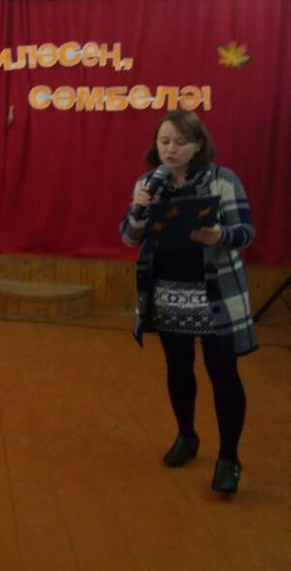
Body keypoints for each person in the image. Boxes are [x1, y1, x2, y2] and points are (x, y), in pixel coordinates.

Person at [120, 110, 255, 495]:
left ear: (198, 145)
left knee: (223, 372)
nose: (171, 149)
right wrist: (138, 208)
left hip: (215, 293)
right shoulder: (149, 183)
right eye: (164, 141)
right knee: (178, 368)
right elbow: (129, 237)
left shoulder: (222, 180)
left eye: (180, 142)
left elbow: (246, 232)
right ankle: (186, 435)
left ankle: (228, 458)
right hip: (168, 292)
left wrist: (220, 235)